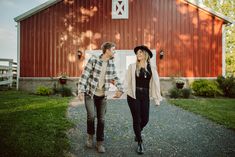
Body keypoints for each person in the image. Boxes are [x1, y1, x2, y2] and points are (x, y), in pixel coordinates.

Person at [77, 42, 123, 153]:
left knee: (101, 120)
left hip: (102, 96)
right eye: (113, 49)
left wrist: (120, 89)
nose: (114, 52)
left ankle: (99, 142)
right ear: (107, 50)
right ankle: (90, 136)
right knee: (91, 116)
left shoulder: (111, 63)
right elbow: (85, 75)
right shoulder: (94, 60)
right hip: (90, 94)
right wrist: (80, 90)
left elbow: (115, 77)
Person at [124, 45, 162, 154]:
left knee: (145, 119)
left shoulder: (152, 68)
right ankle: (140, 142)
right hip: (133, 95)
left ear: (146, 55)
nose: (138, 54)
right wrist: (121, 91)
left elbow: (156, 84)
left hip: (145, 96)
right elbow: (126, 81)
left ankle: (137, 133)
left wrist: (157, 99)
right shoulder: (132, 67)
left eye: (141, 52)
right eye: (137, 53)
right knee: (137, 119)